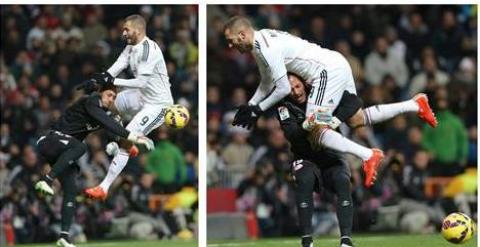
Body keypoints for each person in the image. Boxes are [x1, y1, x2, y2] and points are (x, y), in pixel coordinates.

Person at [223, 16, 437, 187]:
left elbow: (283, 88)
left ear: (242, 35)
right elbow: (267, 82)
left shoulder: (266, 48)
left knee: (314, 126)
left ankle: (368, 155)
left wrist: (258, 109)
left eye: (231, 40)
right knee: (356, 119)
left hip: (326, 72)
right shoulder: (261, 42)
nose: (231, 46)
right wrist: (251, 105)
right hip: (335, 63)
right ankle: (415, 104)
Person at [34, 83, 154, 247]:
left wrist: (124, 145)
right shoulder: (90, 101)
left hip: (63, 150)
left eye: (114, 97)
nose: (111, 99)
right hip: (52, 140)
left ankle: (64, 237)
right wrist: (134, 137)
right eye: (109, 95)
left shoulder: (103, 114)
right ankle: (47, 180)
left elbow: (113, 132)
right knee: (81, 146)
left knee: (71, 189)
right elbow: (108, 123)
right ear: (100, 93)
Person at [84, 14, 174, 200]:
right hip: (141, 96)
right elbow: (120, 63)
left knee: (127, 138)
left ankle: (104, 187)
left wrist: (112, 80)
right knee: (106, 104)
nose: (123, 32)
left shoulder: (150, 50)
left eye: (127, 29)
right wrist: (100, 79)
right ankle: (123, 141)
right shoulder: (131, 47)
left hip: (158, 105)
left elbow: (141, 82)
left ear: (138, 30)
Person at [275, 84, 358, 247]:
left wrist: (334, 119)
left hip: (330, 155)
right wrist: (309, 124)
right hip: (306, 157)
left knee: (343, 181)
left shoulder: (326, 94)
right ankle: (307, 241)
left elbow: (355, 102)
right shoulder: (284, 107)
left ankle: (346, 241)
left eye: (298, 86)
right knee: (304, 180)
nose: (296, 91)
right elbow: (292, 134)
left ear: (305, 84)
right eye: (291, 88)